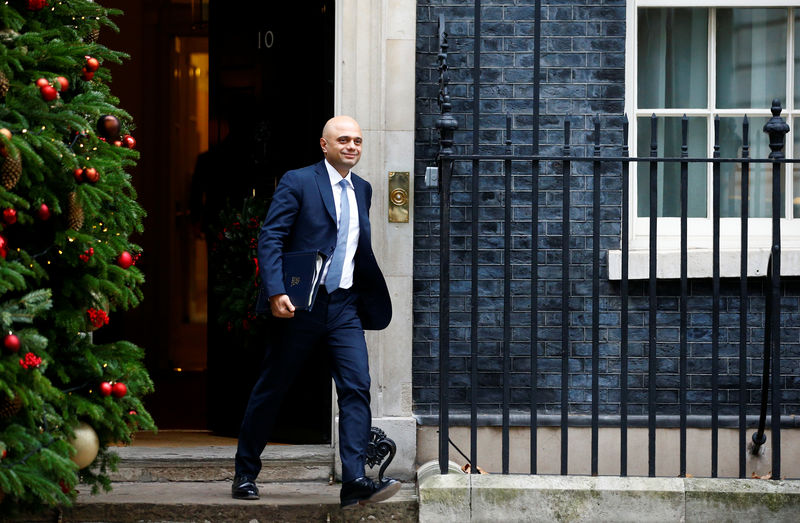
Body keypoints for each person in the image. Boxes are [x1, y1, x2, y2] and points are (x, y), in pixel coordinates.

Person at [232, 116, 400, 509]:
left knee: (357, 386)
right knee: (273, 387)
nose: (352, 146)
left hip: (344, 306)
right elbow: (271, 235)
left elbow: (356, 245)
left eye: (357, 140)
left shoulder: (364, 189)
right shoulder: (299, 181)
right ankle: (245, 472)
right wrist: (275, 291)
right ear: (324, 145)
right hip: (302, 305)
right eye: (343, 140)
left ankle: (355, 479)